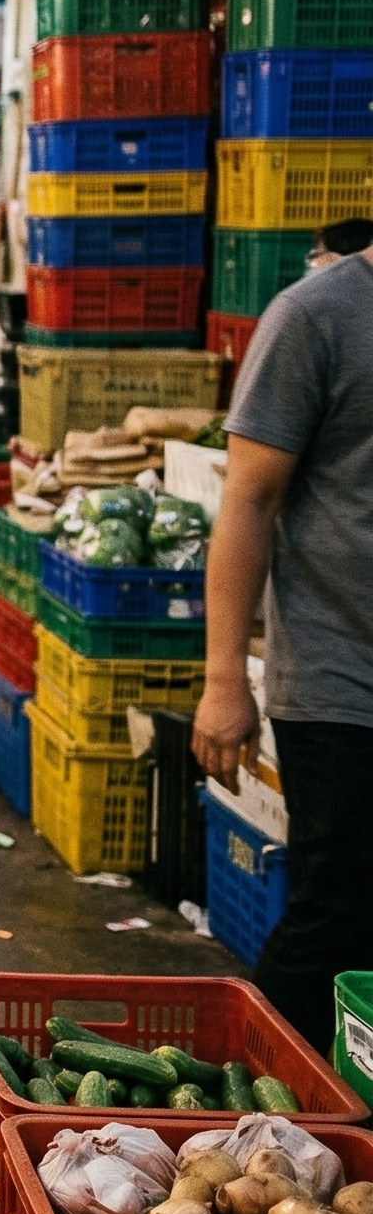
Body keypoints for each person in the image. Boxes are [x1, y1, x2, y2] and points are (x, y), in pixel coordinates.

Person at [190, 245, 373, 1056]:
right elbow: (248, 497)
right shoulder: (316, 314)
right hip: (342, 681)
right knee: (335, 915)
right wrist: (225, 679)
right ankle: (250, 1131)